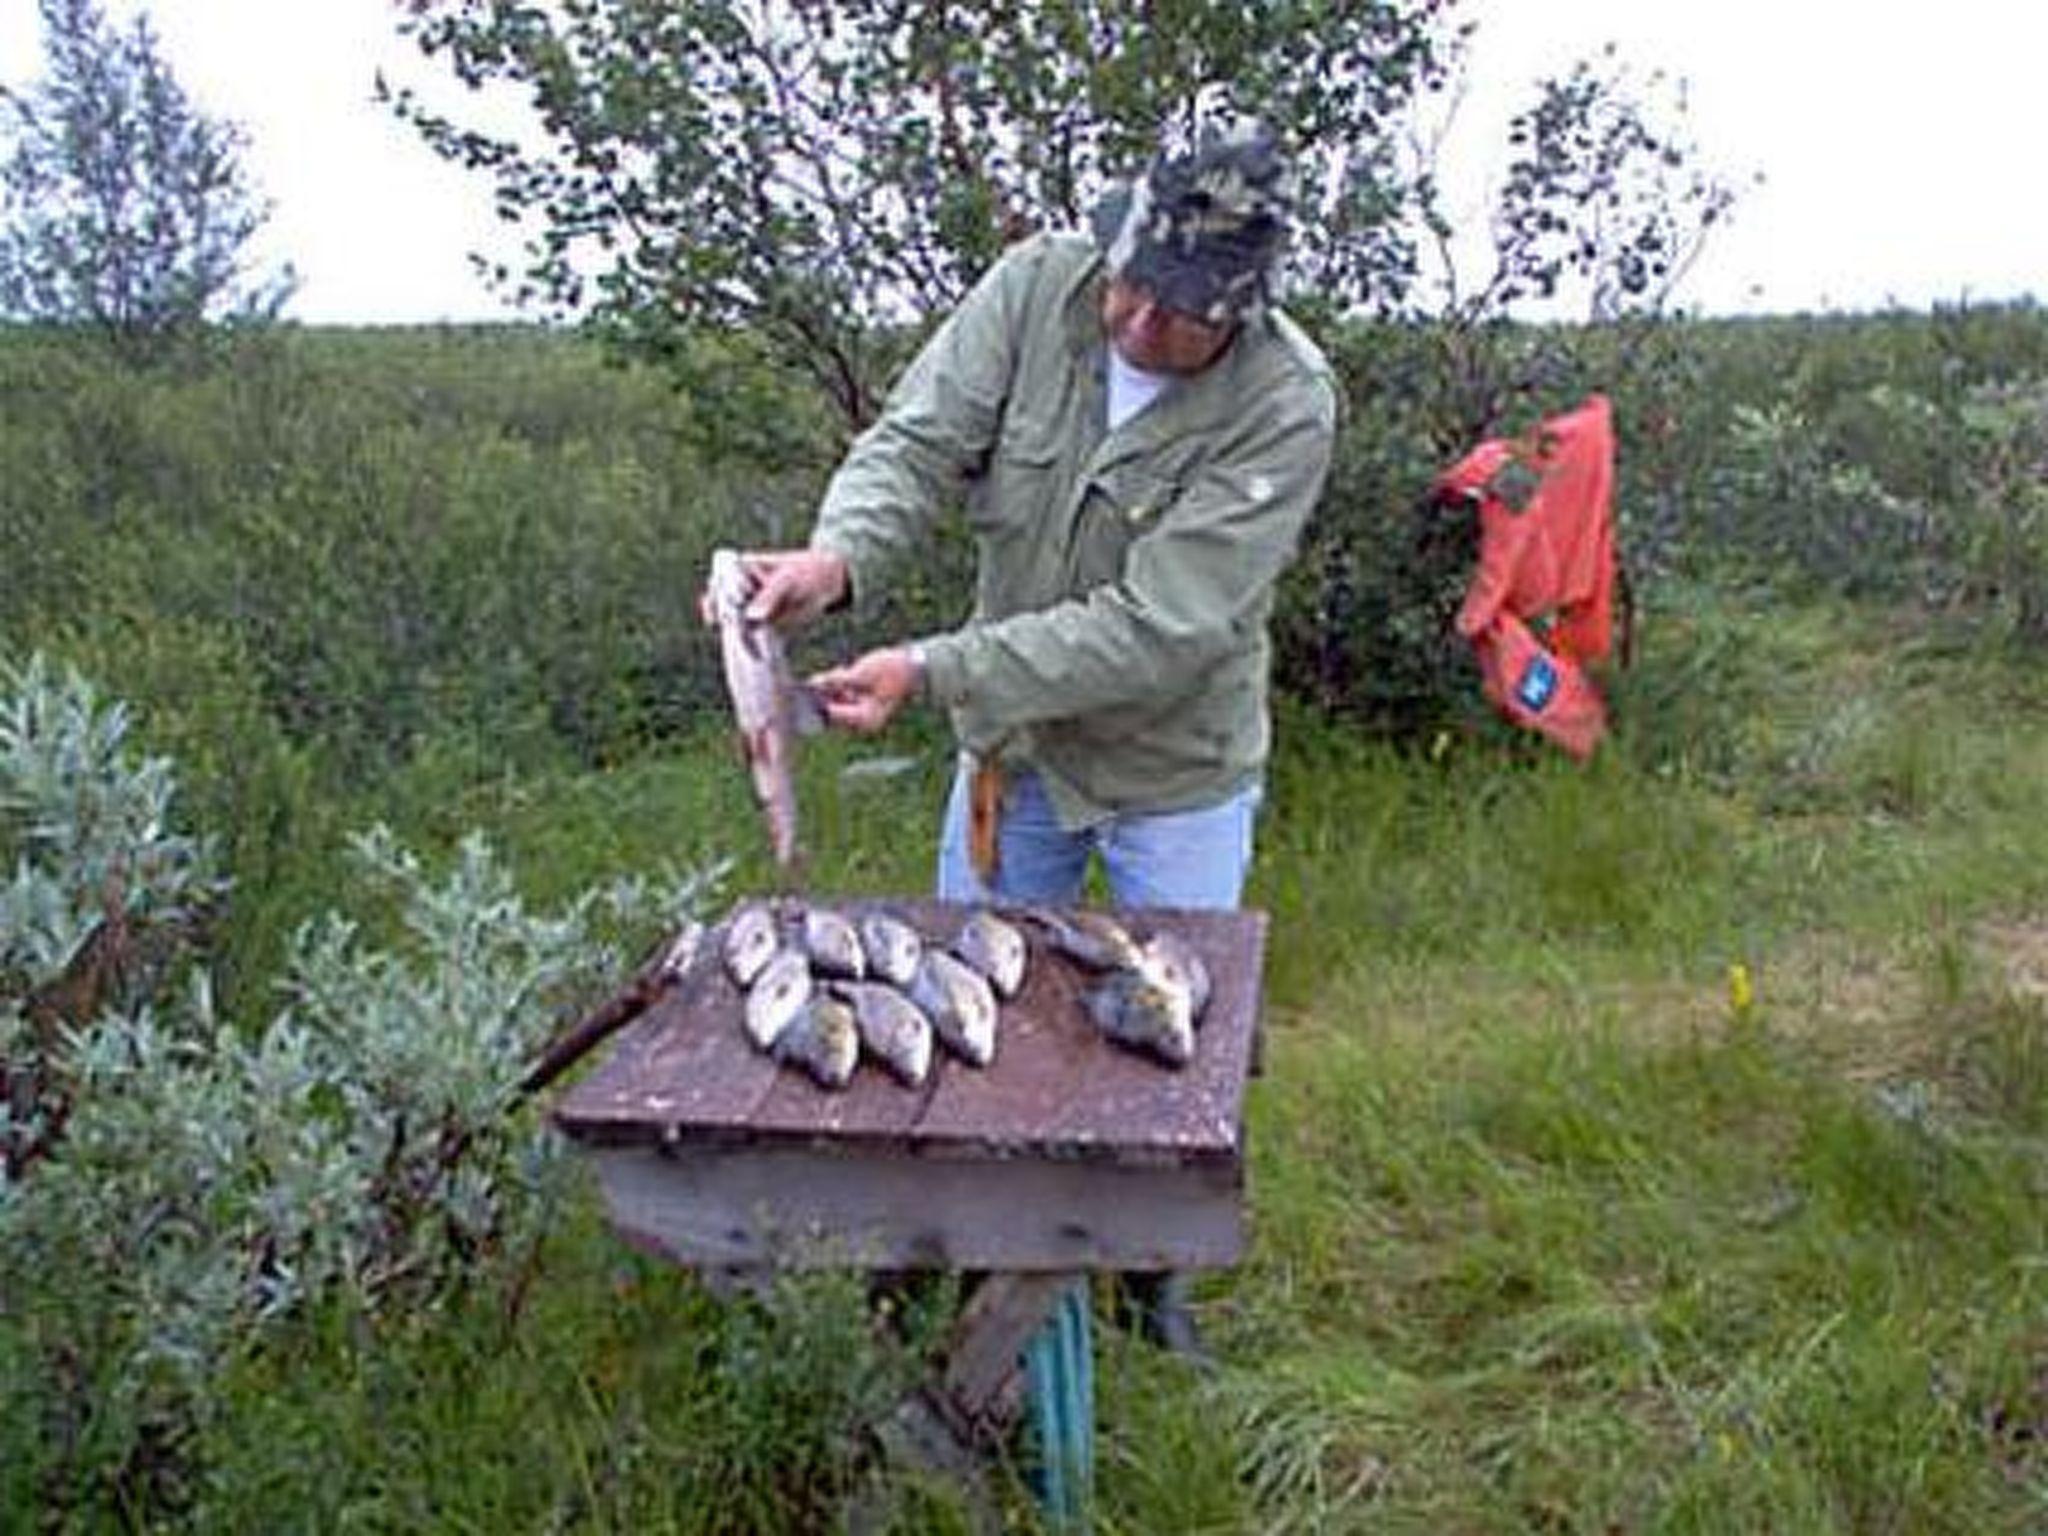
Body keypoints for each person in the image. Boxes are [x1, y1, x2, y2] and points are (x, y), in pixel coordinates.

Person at [718, 114, 1338, 1355]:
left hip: (1177, 772)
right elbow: (913, 441)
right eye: (1129, 282)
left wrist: (931, 669)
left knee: (1179, 1047)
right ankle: (978, 1248)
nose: (1135, 322)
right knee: (973, 999)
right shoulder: (1032, 289)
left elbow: (1157, 627)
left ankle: (1149, 1282)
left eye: (1178, 312)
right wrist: (836, 561)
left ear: (1244, 308)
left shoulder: (1286, 405)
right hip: (1016, 759)